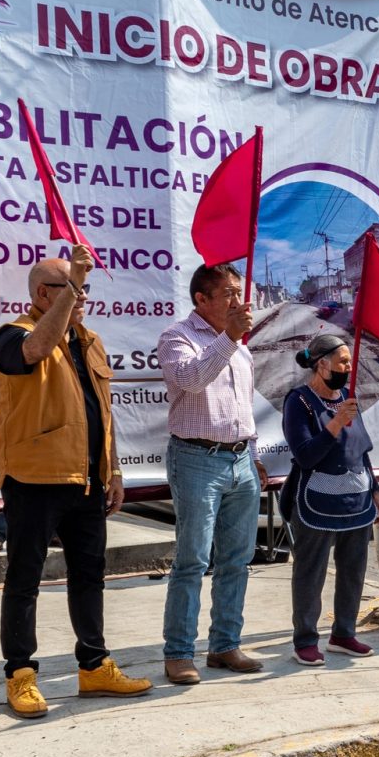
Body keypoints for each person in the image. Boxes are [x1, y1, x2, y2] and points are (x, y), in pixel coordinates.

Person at [0, 244, 152, 717]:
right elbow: (34, 350)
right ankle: (20, 674)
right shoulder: (11, 335)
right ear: (44, 293)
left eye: (85, 290)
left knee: (90, 576)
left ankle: (94, 666)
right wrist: (72, 286)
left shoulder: (90, 340)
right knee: (25, 578)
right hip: (34, 477)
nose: (83, 298)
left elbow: (102, 411)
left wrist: (114, 468)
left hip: (87, 479)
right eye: (74, 290)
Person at [156, 263, 267, 685]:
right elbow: (191, 380)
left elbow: (242, 406)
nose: (238, 302)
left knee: (237, 560)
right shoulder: (177, 337)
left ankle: (224, 645)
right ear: (201, 299)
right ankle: (179, 652)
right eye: (228, 294)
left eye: (239, 292)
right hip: (197, 459)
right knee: (193, 560)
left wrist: (252, 450)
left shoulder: (239, 347)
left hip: (240, 459)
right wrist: (229, 338)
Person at [280, 334, 379, 665]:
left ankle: (343, 634)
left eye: (349, 362)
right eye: (342, 362)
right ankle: (306, 639)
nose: (347, 368)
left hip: (357, 500)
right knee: (311, 571)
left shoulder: (347, 397)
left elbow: (362, 453)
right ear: (321, 363)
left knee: (353, 569)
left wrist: (376, 492)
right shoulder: (299, 402)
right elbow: (305, 455)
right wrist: (337, 423)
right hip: (316, 500)